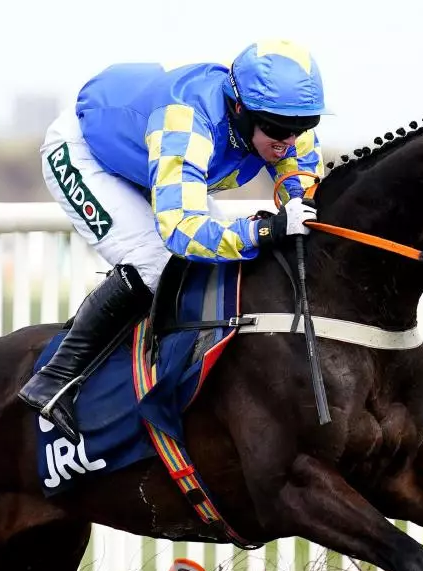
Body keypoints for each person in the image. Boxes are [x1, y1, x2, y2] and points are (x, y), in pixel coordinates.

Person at [18, 40, 327, 442]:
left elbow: (299, 178)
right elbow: (183, 231)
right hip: (87, 153)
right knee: (155, 260)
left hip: (151, 158)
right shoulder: (187, 121)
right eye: (276, 128)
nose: (289, 138)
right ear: (239, 108)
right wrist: (263, 230)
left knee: (228, 259)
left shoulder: (283, 121)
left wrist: (298, 208)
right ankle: (54, 379)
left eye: (302, 126)